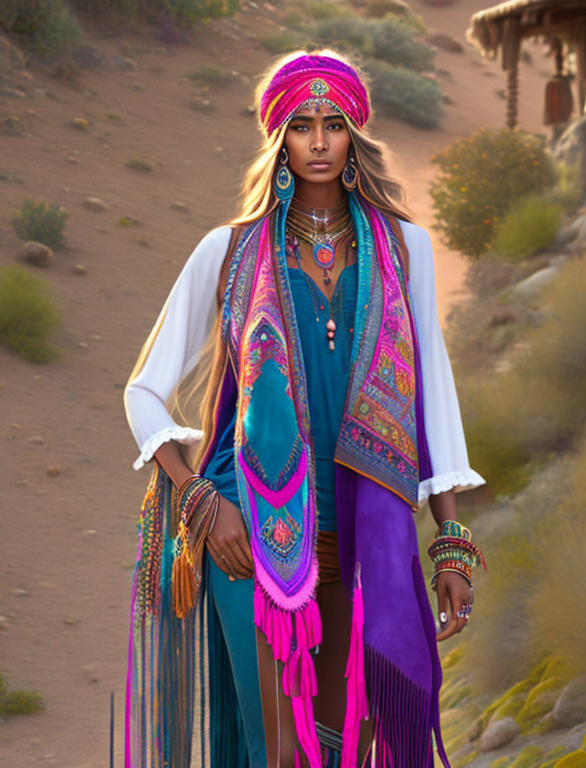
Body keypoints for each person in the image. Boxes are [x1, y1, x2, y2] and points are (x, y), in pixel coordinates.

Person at [123, 49, 487, 768]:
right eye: (300, 125)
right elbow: (143, 391)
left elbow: (433, 399)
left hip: (365, 532)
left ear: (355, 136)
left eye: (334, 124)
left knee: (349, 746)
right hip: (249, 529)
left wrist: (450, 538)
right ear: (278, 139)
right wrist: (200, 497)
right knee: (281, 755)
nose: (318, 141)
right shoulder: (227, 252)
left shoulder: (405, 249)